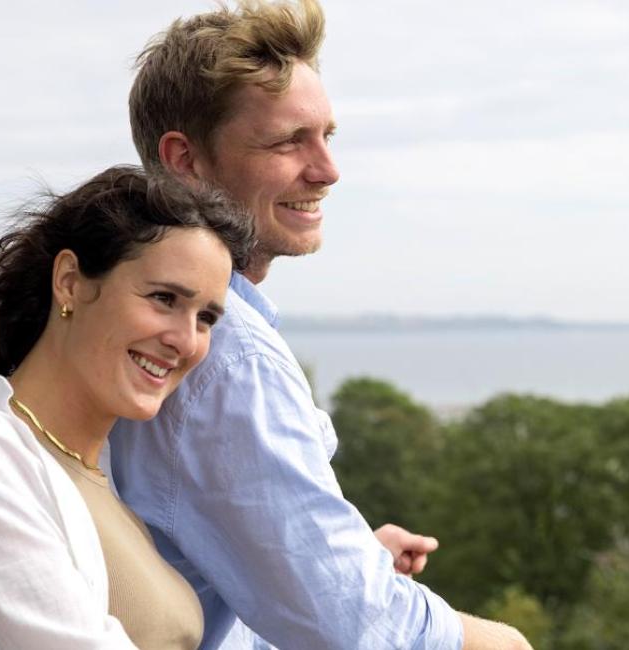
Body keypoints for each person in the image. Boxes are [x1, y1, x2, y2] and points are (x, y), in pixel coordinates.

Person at [109, 1, 532, 648]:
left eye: (326, 136)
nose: (327, 170)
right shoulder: (224, 357)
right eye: (286, 142)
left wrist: (344, 562)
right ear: (185, 160)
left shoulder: (123, 319)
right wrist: (508, 643)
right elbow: (363, 631)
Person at [0, 166, 252, 649]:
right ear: (70, 282)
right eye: (162, 298)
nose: (185, 340)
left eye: (206, 317)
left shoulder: (95, 474)